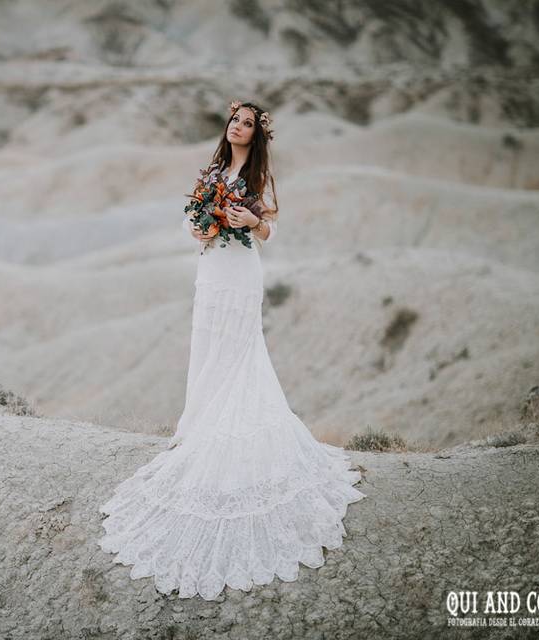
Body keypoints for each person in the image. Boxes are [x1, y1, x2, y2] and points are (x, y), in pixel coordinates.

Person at [97, 100, 367, 601]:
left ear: (257, 133)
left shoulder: (260, 177)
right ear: (227, 127)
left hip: (242, 275)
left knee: (240, 353)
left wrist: (250, 222)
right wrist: (199, 228)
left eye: (248, 122)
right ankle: (198, 424)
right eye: (235, 120)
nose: (238, 127)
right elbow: (190, 219)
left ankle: (226, 430)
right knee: (206, 346)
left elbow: (271, 231)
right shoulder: (215, 169)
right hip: (211, 269)